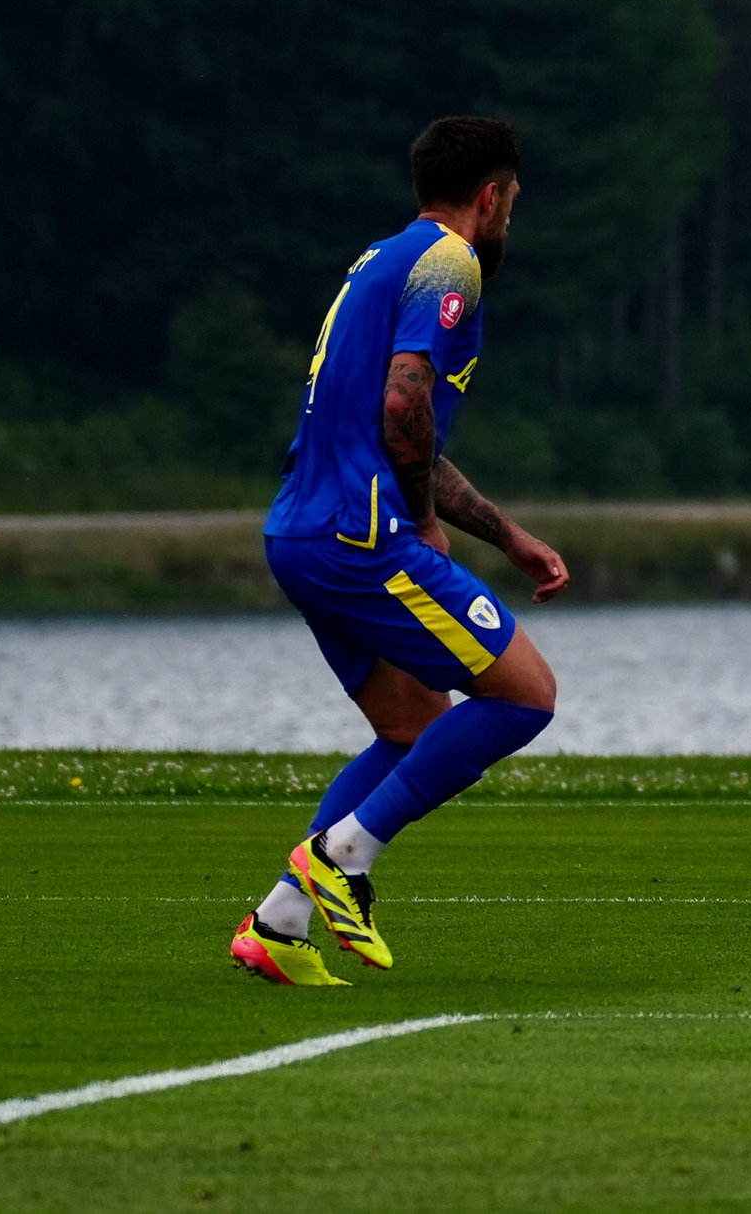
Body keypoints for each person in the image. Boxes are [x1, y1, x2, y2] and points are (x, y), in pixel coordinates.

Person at [231, 117, 571, 986]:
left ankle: (277, 921)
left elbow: (397, 421)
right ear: (490, 196)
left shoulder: (381, 260)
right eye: (513, 202)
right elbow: (401, 407)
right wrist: (420, 518)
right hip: (358, 536)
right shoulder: (451, 265)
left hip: (300, 532)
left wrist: (503, 532)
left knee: (412, 723)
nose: (510, 219)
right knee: (527, 694)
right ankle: (343, 856)